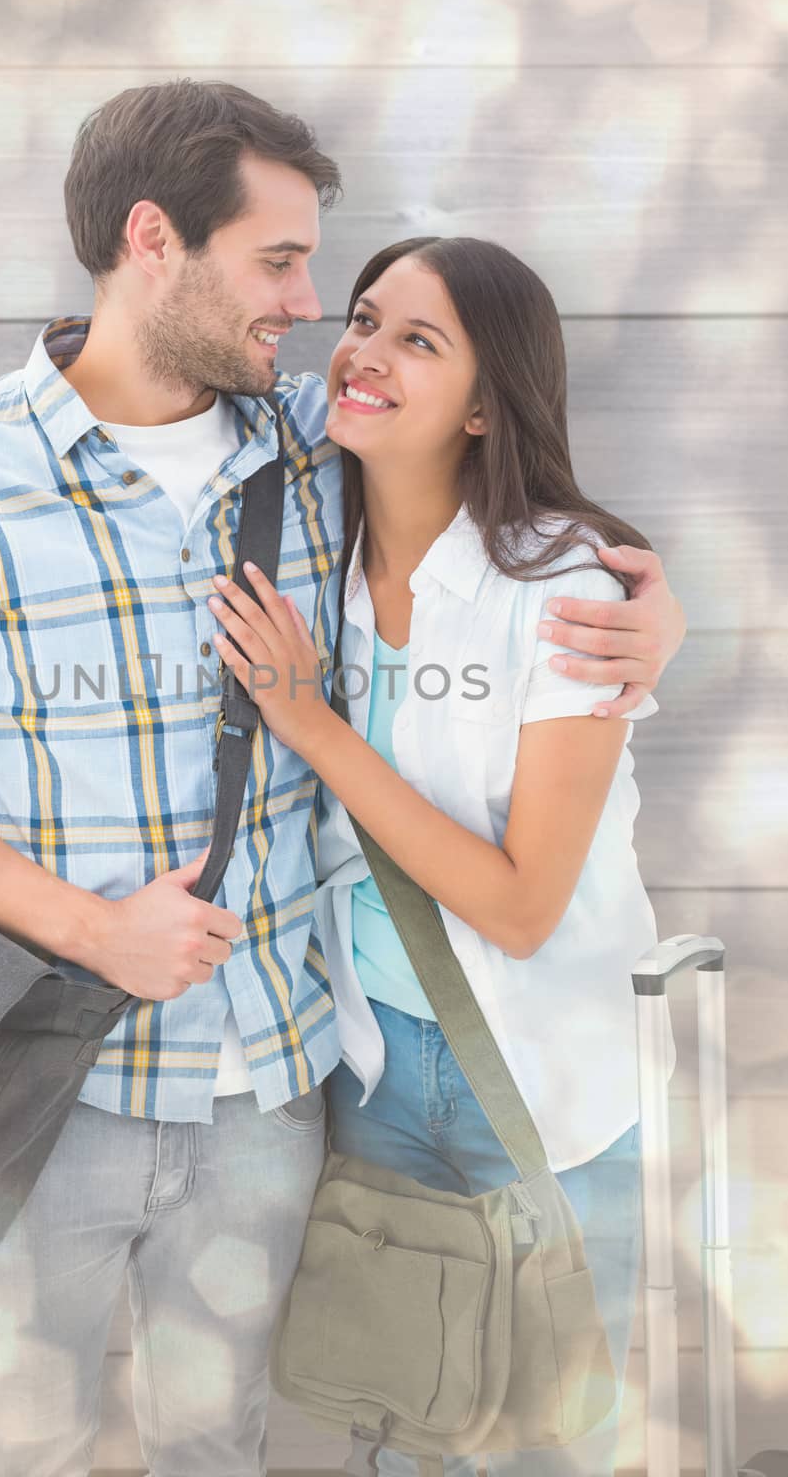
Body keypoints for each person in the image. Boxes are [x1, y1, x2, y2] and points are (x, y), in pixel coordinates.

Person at [0, 82, 684, 1477]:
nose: (309, 300)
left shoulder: (311, 444)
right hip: (38, 1093)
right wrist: (93, 928)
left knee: (222, 1453)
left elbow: (491, 520)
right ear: (154, 238)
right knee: (19, 1453)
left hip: (275, 1091)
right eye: (278, 261)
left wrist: (646, 617)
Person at [206, 233, 672, 1476]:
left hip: (539, 1080)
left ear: (485, 404)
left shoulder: (563, 590)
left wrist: (310, 719)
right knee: (408, 1417)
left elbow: (520, 905)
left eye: (420, 340)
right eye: (362, 320)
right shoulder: (319, 553)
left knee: (548, 1445)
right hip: (372, 1074)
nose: (362, 352)